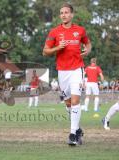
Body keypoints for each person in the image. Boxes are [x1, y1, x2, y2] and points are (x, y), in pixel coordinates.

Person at [43, 3, 91, 146]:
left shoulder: (80, 30)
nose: (63, 15)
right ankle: (77, 129)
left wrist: (87, 50)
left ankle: (72, 135)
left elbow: (88, 44)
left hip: (77, 69)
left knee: (76, 101)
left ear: (72, 14)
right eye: (61, 13)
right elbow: (45, 51)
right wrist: (58, 47)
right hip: (62, 71)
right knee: (68, 104)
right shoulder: (54, 32)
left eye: (66, 12)